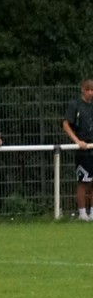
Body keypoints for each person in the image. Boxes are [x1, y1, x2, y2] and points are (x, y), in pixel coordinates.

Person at [63, 78, 93, 220]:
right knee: (83, 181)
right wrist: (77, 141)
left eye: (92, 90)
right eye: (88, 90)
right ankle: (82, 214)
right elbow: (66, 124)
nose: (90, 93)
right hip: (83, 149)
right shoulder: (75, 105)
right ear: (82, 90)